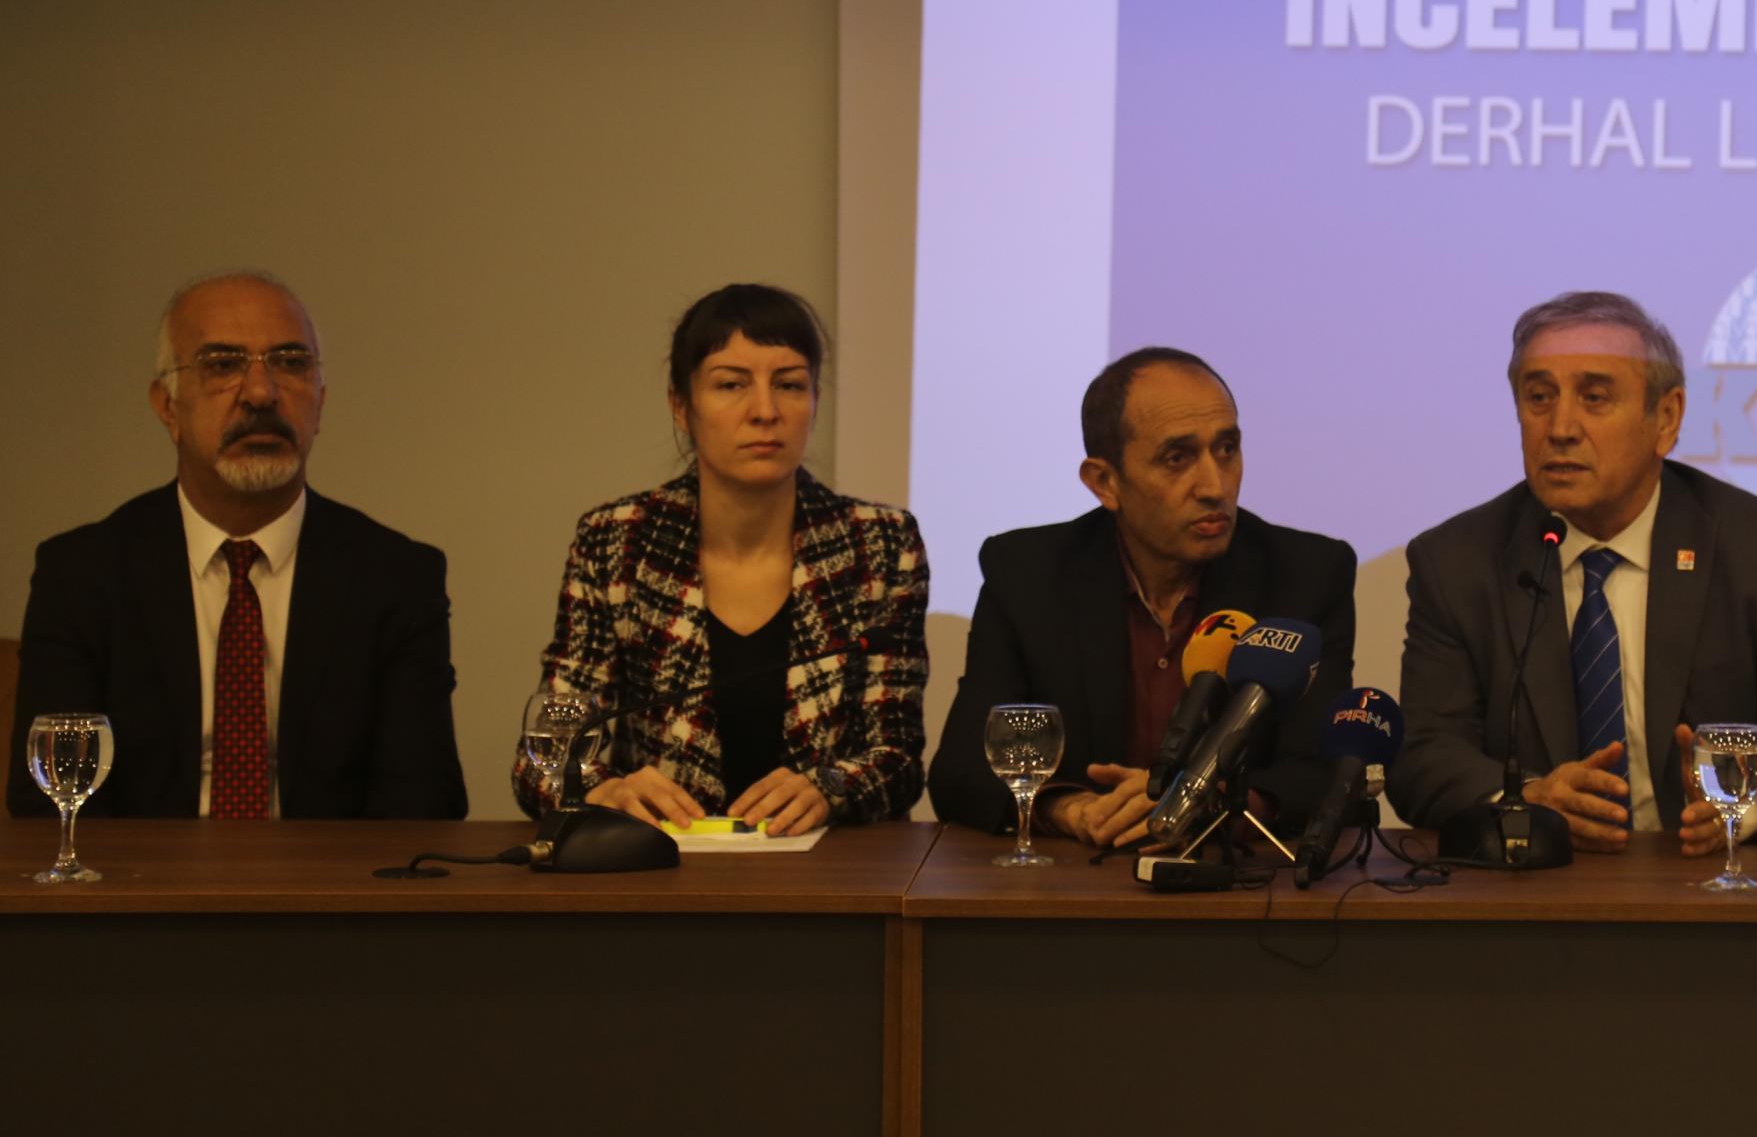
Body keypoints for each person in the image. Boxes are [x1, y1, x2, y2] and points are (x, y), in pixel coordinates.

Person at [1390, 290, 1757, 854]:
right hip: (1532, 882)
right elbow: (1422, 756)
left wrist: (1738, 813)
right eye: (1539, 397)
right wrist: (1526, 800)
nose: (1561, 427)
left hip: (1699, 883)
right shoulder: (1457, 561)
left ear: (1666, 419)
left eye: (1594, 398)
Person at [7, 272, 467, 820]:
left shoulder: (396, 578)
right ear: (168, 406)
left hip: (330, 877)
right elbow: (50, 803)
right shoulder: (82, 575)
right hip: (137, 875)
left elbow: (421, 808)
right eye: (223, 365)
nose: (261, 393)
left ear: (320, 403)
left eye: (290, 363)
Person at [515, 284, 926, 835]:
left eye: (789, 385)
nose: (765, 411)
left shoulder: (879, 544)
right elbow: (542, 760)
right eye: (731, 385)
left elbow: (898, 760)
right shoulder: (615, 541)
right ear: (681, 406)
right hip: (662, 862)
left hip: (826, 864)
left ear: (815, 401)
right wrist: (597, 788)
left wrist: (832, 788)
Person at [928, 348, 1355, 846]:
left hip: (1233, 878)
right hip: (1076, 878)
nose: (1214, 486)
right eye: (1177, 458)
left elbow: (1325, 775)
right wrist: (1072, 810)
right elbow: (962, 770)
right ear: (1105, 482)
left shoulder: (1306, 575)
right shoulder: (1029, 574)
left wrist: (1205, 804)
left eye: (1227, 449)